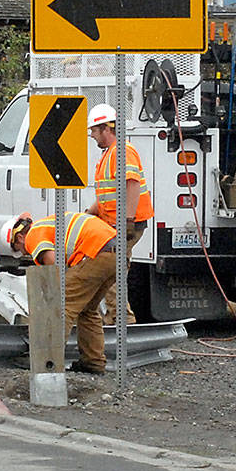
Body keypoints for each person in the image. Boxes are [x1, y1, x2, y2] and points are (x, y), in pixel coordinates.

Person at [2, 211, 117, 374]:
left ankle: (45, 358)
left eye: (19, 249)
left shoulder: (33, 234)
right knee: (88, 310)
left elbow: (55, 267)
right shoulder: (48, 226)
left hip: (96, 253)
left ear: (20, 237)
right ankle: (93, 363)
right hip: (117, 254)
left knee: (60, 304)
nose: (25, 252)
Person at [84, 103, 153, 324]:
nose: (92, 136)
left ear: (106, 128)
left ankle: (121, 320)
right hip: (116, 224)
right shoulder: (110, 154)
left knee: (111, 271)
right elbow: (108, 193)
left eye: (94, 130)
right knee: (113, 270)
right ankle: (117, 318)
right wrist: (89, 214)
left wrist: (128, 220)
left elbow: (131, 184)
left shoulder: (122, 151)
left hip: (125, 224)